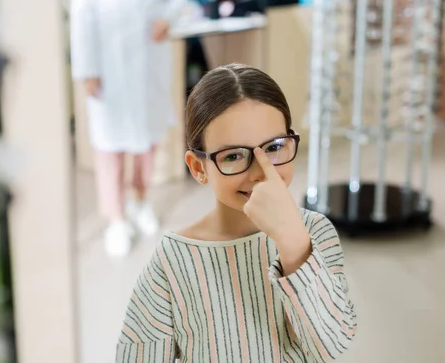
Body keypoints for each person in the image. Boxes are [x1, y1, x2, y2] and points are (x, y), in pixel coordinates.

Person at [115, 64, 357, 362]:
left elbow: (332, 344)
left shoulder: (316, 232)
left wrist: (292, 242)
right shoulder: (173, 261)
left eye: (274, 147)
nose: (261, 171)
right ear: (198, 168)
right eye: (233, 155)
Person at [70, 0, 190, 257]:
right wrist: (87, 68)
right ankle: (116, 218)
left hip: (149, 59)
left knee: (147, 140)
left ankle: (140, 199)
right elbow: (81, 12)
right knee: (109, 145)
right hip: (108, 65)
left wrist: (167, 17)